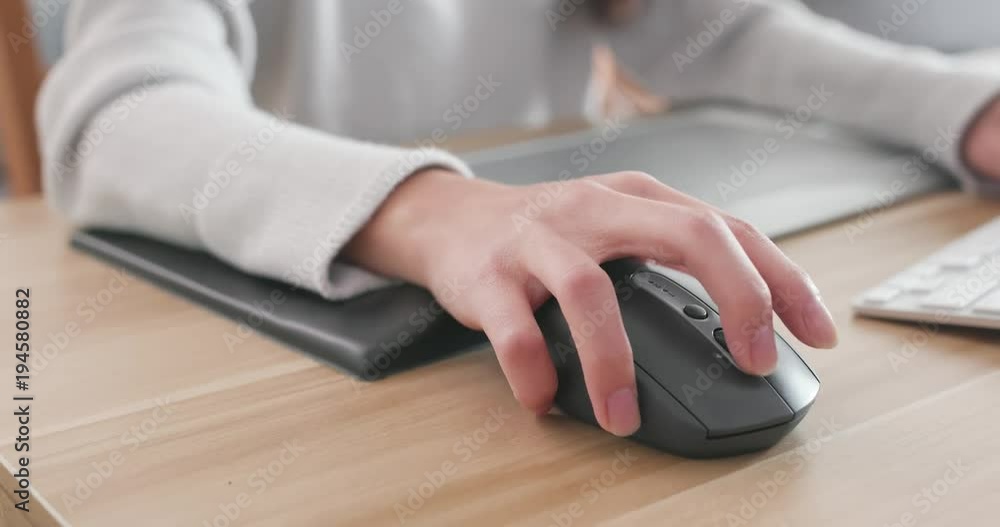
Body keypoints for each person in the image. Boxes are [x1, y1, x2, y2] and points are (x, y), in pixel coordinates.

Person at [38, 0, 1000, 438]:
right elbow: (114, 118)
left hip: (560, 259)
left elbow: (713, 29)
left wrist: (967, 107)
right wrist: (436, 210)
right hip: (273, 351)